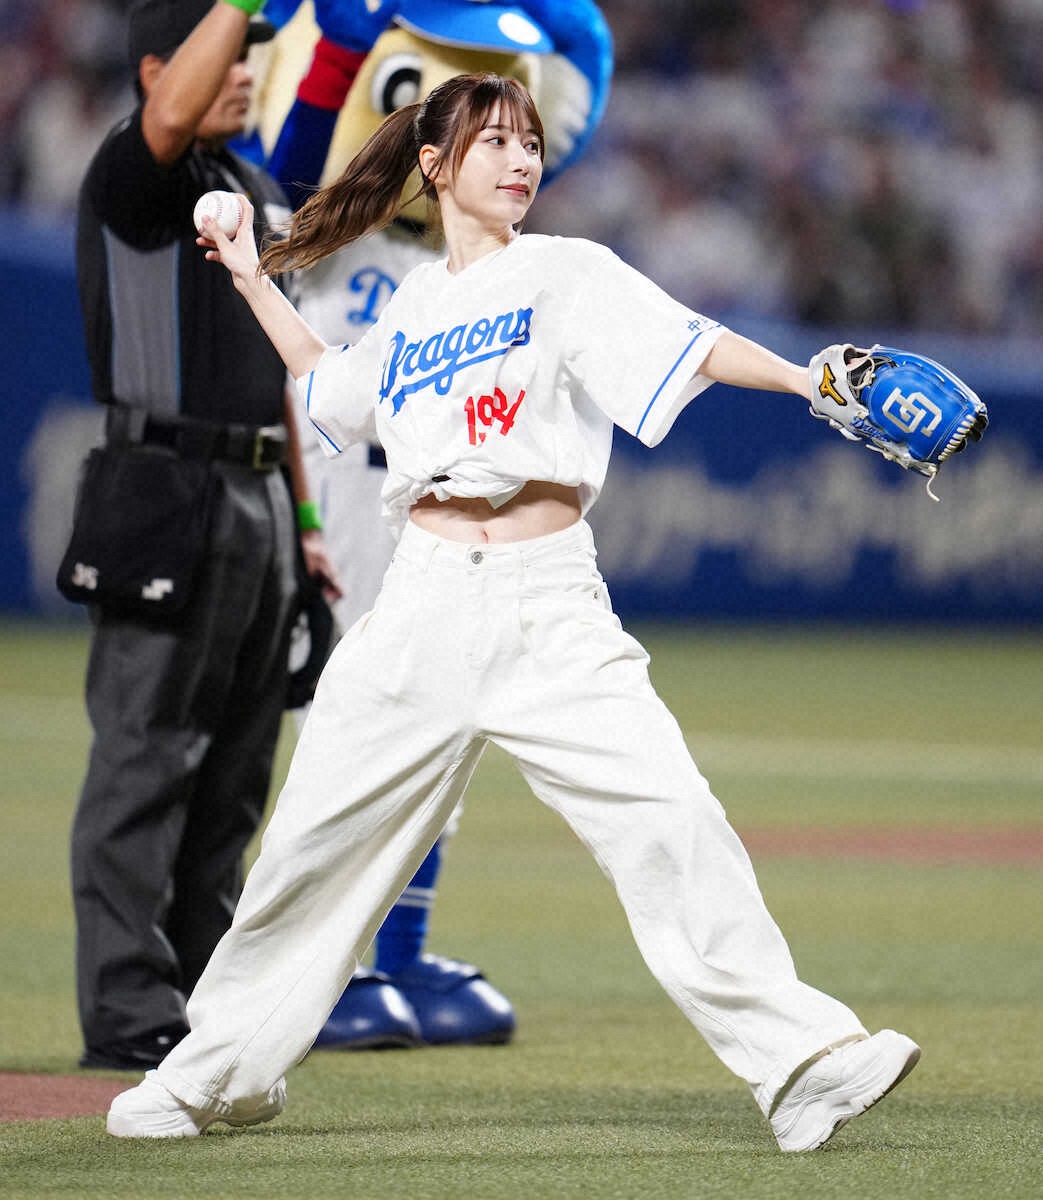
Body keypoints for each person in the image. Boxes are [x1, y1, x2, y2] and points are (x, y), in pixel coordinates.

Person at [106, 73, 920, 1151]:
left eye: (529, 141)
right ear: (435, 166)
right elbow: (327, 388)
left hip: (549, 606)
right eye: (493, 140)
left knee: (668, 820)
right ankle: (216, 1074)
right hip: (421, 606)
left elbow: (695, 343)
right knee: (310, 846)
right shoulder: (409, 305)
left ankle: (802, 1066)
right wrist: (253, 277)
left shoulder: (565, 274)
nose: (520, 158)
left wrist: (808, 382)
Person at [250, 0, 613, 1049]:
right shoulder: (332, 224)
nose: (504, 154)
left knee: (448, 727)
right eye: (475, 135)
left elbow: (574, 82)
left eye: (508, 137)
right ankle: (323, 968)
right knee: (352, 724)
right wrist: (351, 41)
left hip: (430, 516)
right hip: (343, 509)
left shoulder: (480, 261)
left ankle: (396, 959)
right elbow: (295, 159)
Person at [71, 0, 338, 1072]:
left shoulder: (263, 188)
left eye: (253, 52)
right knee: (145, 760)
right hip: (161, 483)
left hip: (263, 496)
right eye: (226, 50)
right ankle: (129, 1012)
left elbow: (281, 374)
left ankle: (202, 1000)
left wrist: (309, 525)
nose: (242, 70)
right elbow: (174, 114)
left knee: (234, 770)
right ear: (156, 67)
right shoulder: (135, 176)